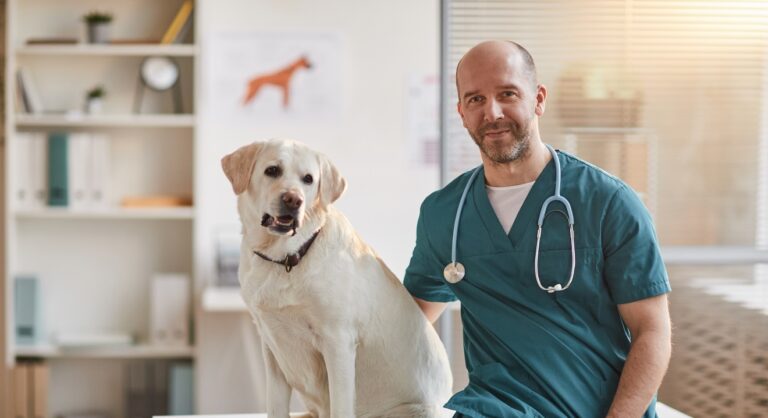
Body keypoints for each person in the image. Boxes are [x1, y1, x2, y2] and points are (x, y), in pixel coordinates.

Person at [404, 40, 672, 418]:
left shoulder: (608, 202)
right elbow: (407, 322)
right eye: (476, 99)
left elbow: (652, 331)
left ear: (539, 99)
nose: (492, 112)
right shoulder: (443, 214)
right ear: (461, 112)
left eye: (507, 93)